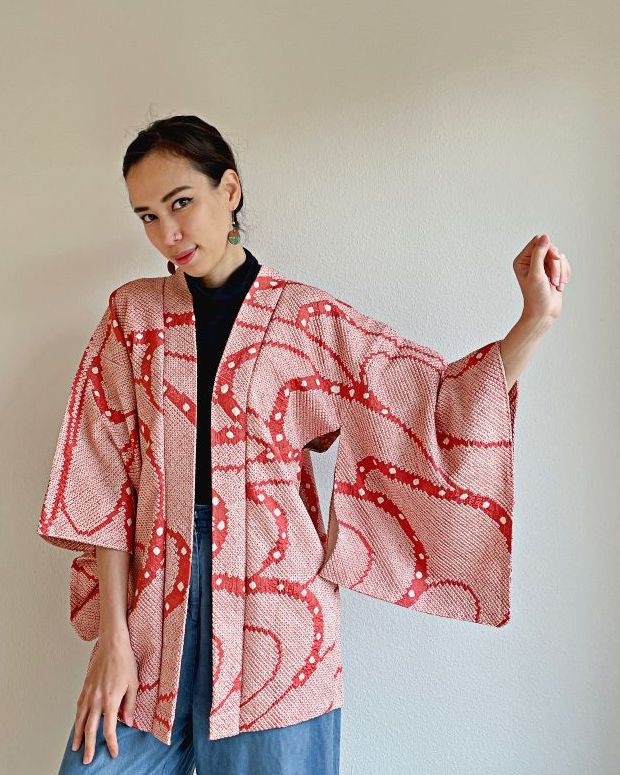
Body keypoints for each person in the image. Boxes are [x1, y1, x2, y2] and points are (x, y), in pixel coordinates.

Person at [39, 115, 571, 773]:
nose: (167, 233)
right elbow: (101, 480)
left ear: (229, 189)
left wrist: (534, 320)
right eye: (147, 216)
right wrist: (113, 641)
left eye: (181, 203)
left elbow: (429, 403)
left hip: (278, 626)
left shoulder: (305, 320)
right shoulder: (133, 316)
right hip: (151, 614)